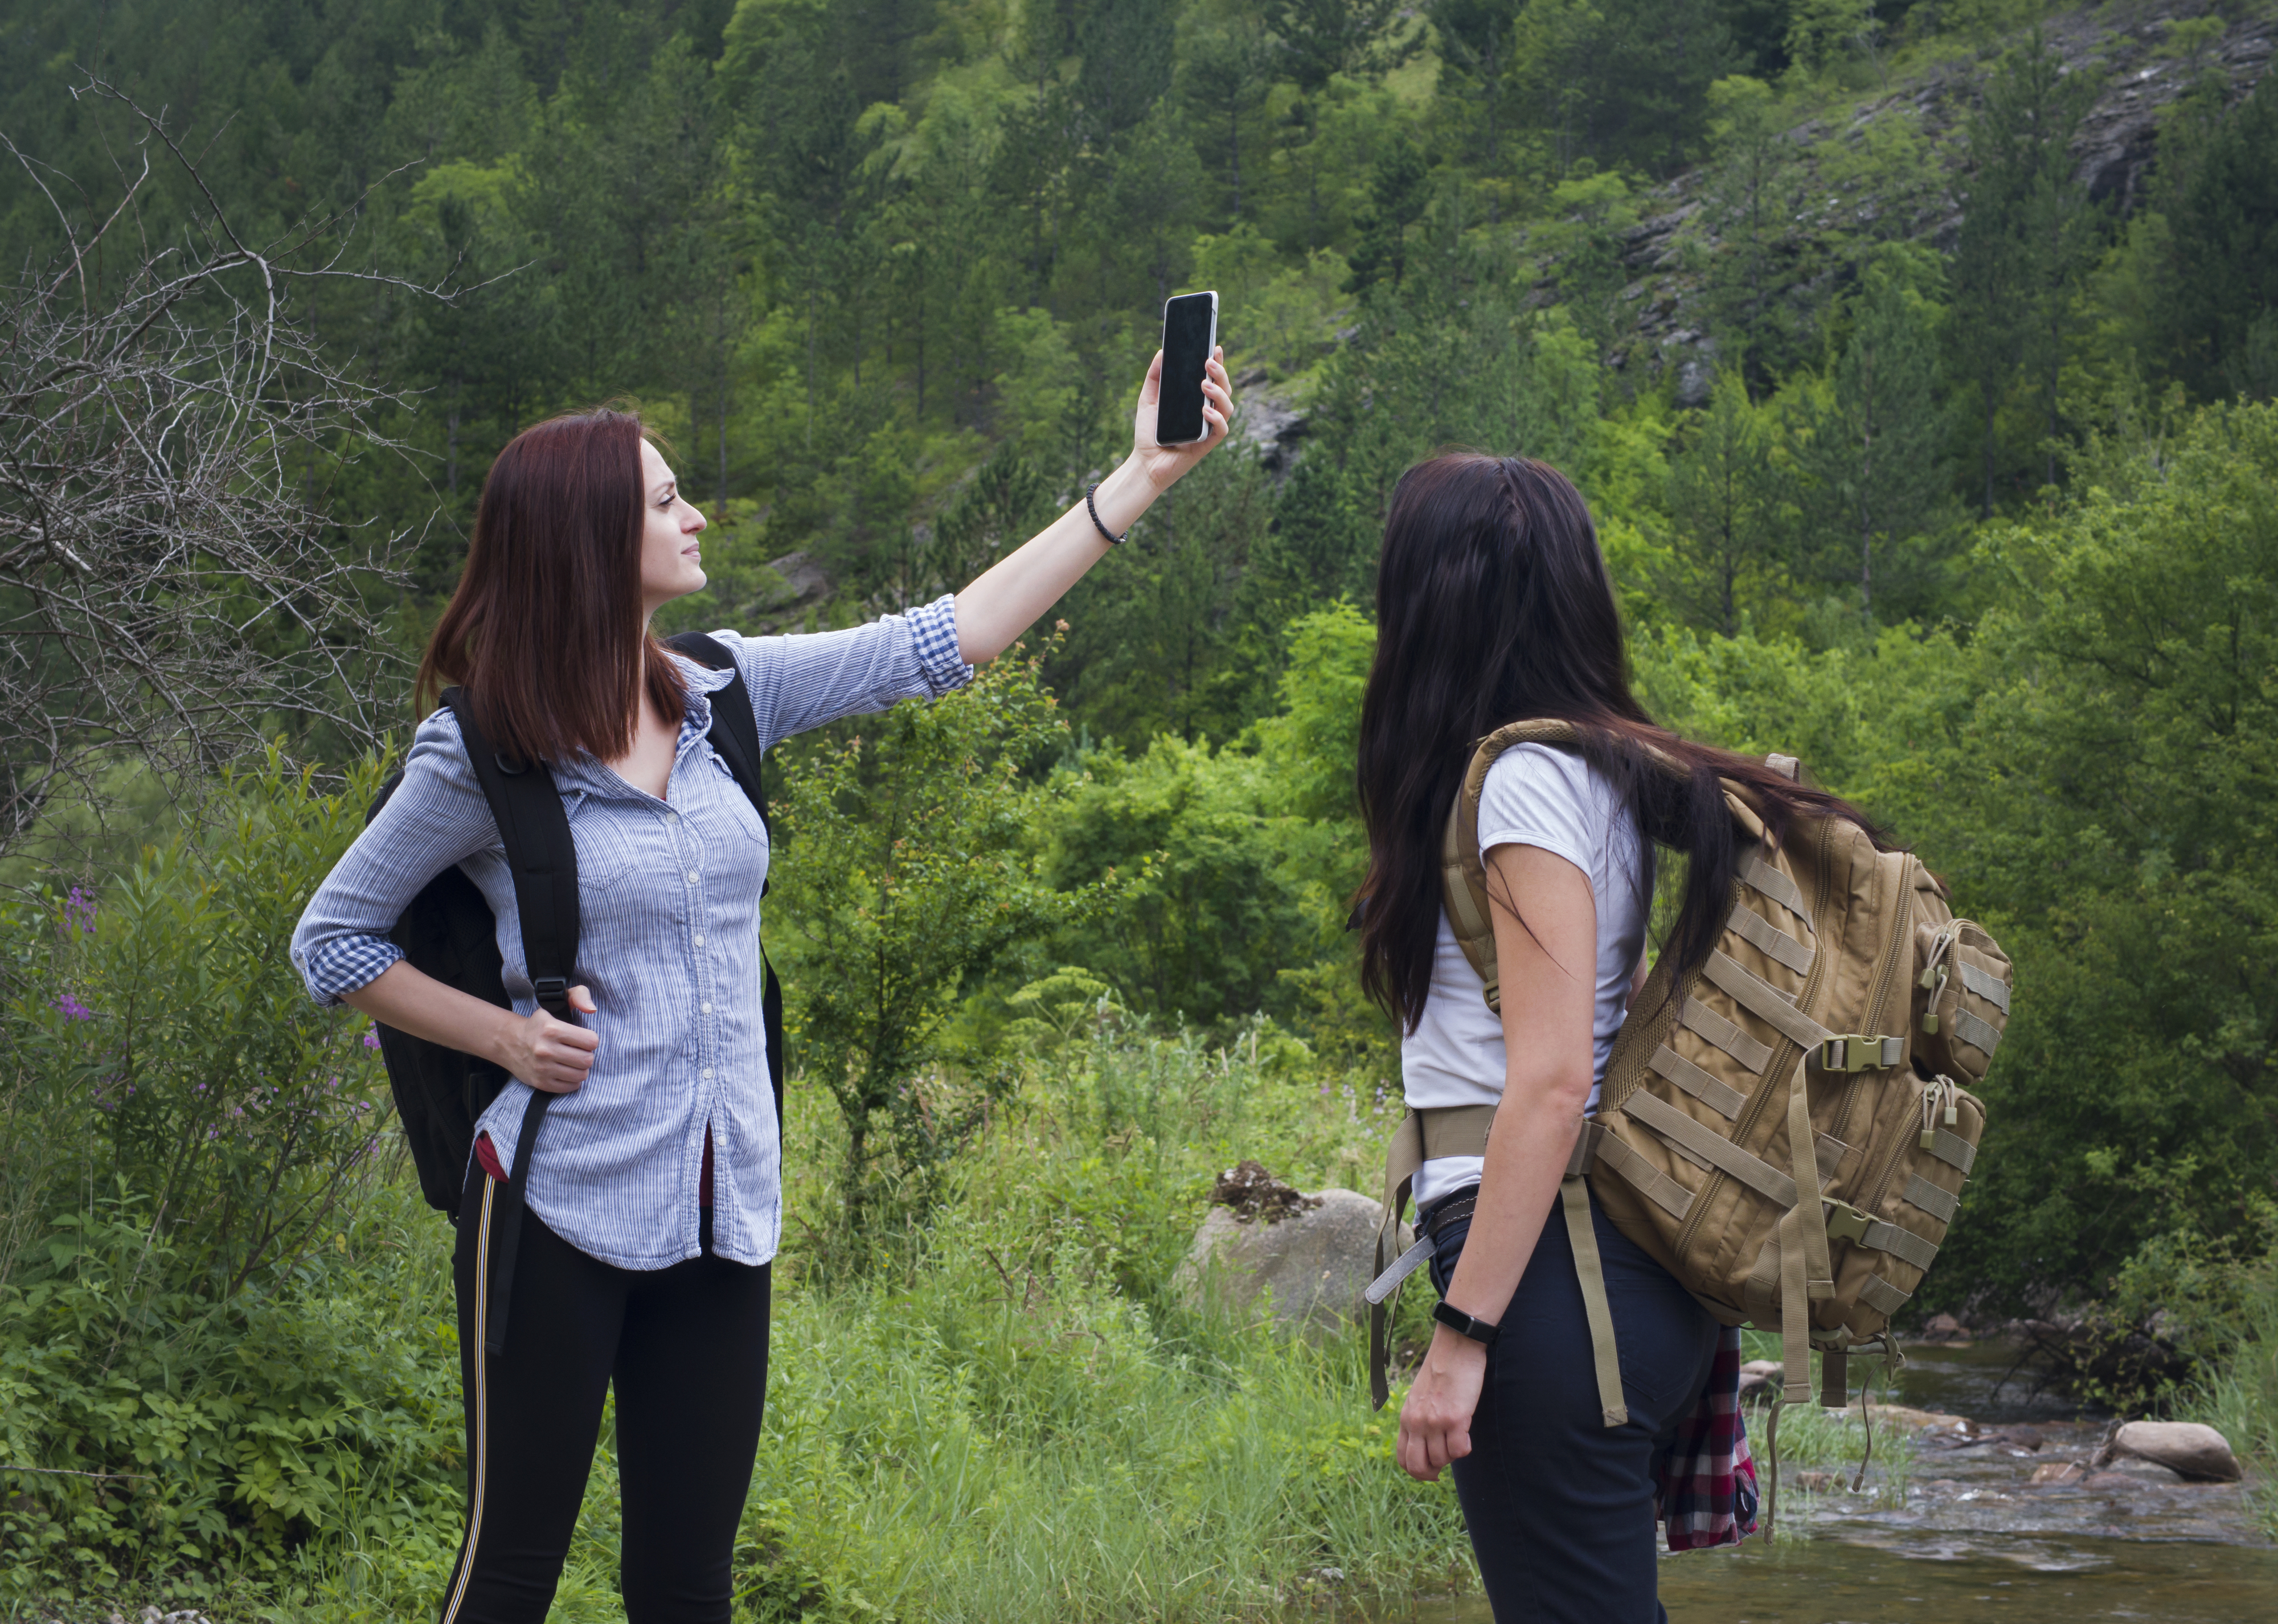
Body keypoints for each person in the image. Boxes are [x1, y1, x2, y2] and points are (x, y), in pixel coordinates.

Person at [289, 350, 1232, 1624]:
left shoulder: (721, 689)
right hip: (555, 1206)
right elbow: (334, 938)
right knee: (510, 1572)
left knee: (686, 1583)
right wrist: (504, 1039)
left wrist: (1140, 475)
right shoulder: (484, 747)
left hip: (723, 1203)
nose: (694, 517)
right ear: (586, 537)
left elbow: (946, 640)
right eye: (667, 498)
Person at [1354, 454, 1878, 1622]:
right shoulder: (1589, 771)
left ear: (1432, 602)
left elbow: (1547, 1086)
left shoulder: (1522, 786)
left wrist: (1459, 1334)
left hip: (1555, 1278)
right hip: (1606, 1271)